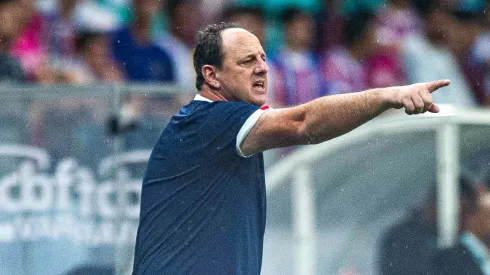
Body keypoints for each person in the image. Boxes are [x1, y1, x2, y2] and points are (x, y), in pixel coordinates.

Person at [132, 22, 450, 274]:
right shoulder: (211, 119)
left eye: (262, 58)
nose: (262, 68)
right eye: (246, 62)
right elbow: (304, 124)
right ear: (212, 76)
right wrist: (385, 96)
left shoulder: (225, 124)